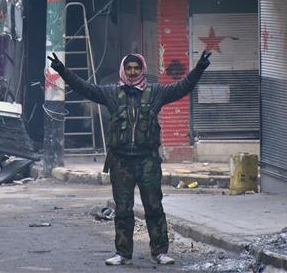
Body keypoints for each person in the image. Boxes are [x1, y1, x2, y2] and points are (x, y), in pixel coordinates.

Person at [48, 51, 212, 266]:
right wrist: (62, 71)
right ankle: (123, 253)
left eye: (136, 68)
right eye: (129, 68)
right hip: (121, 161)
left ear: (142, 69)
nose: (133, 72)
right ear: (123, 70)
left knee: (154, 206)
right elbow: (85, 88)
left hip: (148, 160)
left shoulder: (156, 93)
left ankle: (160, 251)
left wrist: (199, 68)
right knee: (123, 209)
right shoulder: (111, 93)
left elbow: (183, 87)